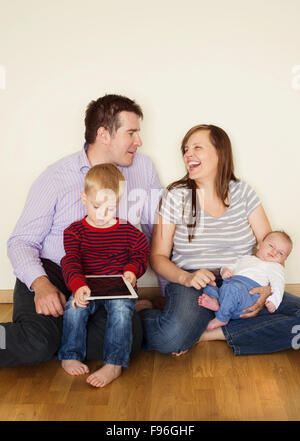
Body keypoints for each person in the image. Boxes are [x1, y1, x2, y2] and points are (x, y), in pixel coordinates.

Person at [3, 94, 161, 368]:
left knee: (132, 337)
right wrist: (40, 285)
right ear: (104, 134)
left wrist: (158, 289)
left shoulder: (143, 169)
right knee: (37, 342)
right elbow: (21, 242)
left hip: (105, 280)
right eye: (131, 133)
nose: (139, 142)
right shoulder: (56, 177)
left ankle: (58, 338)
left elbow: (155, 236)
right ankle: (45, 337)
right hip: (53, 273)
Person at [139, 124, 300, 356]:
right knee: (171, 337)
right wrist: (186, 277)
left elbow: (272, 251)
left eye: (197, 147)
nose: (188, 154)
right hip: (195, 285)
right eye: (185, 149)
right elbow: (158, 257)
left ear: (220, 152)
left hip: (244, 284)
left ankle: (209, 333)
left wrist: (266, 291)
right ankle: (149, 313)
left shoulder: (244, 193)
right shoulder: (175, 196)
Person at [58, 164, 150, 387]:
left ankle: (114, 363)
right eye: (96, 206)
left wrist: (132, 271)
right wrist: (78, 286)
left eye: (110, 208)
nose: (102, 214)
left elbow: (141, 255)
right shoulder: (74, 232)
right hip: (87, 287)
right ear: (84, 198)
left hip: (118, 288)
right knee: (74, 309)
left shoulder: (129, 232)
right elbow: (70, 261)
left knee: (120, 310)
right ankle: (70, 354)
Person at [198, 230, 293, 330]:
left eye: (281, 253)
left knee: (232, 289)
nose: (274, 252)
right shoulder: (246, 258)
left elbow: (279, 285)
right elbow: (231, 266)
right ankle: (216, 302)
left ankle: (222, 318)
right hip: (230, 286)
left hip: (248, 294)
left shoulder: (275, 267)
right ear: (259, 245)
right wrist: (225, 271)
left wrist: (274, 301)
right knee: (211, 285)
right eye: (271, 246)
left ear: (284, 260)